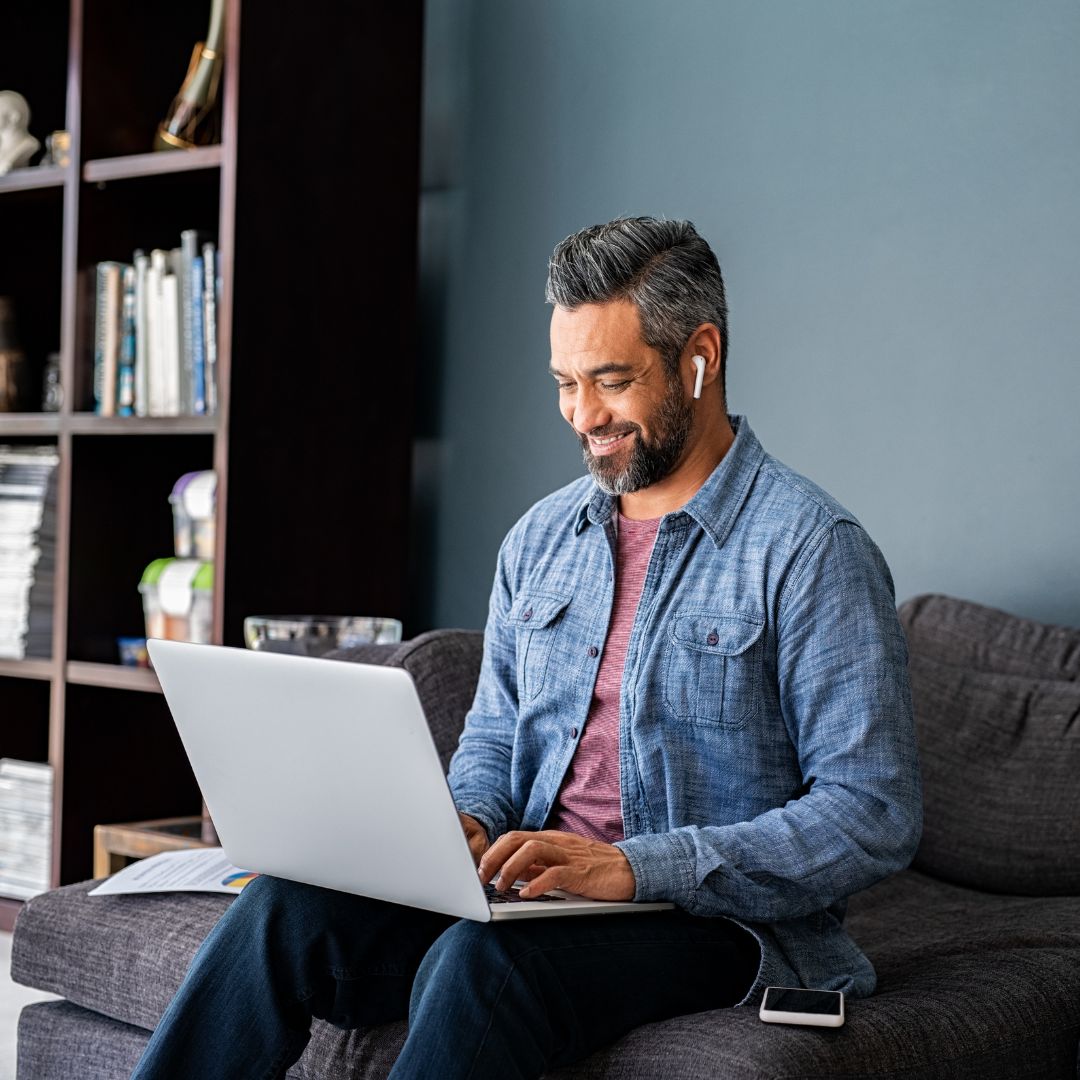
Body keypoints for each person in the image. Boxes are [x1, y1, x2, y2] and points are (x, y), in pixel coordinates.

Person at [131, 216, 921, 1079]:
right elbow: (497, 741)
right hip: (535, 900)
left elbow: (871, 812)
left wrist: (632, 867)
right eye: (564, 383)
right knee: (283, 910)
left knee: (486, 965)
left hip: (713, 924)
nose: (583, 416)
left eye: (612, 381)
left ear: (701, 356)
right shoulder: (541, 539)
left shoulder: (810, 547)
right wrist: (463, 824)